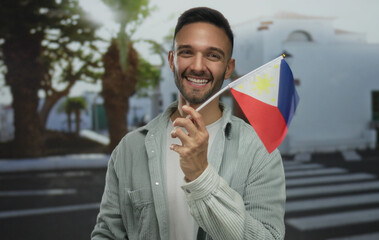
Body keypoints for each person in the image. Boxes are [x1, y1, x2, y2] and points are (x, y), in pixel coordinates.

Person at [91, 7, 286, 240]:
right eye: (186, 52)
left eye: (213, 55)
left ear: (229, 68)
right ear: (172, 60)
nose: (197, 66)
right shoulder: (128, 149)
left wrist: (201, 175)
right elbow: (107, 234)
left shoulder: (260, 151)